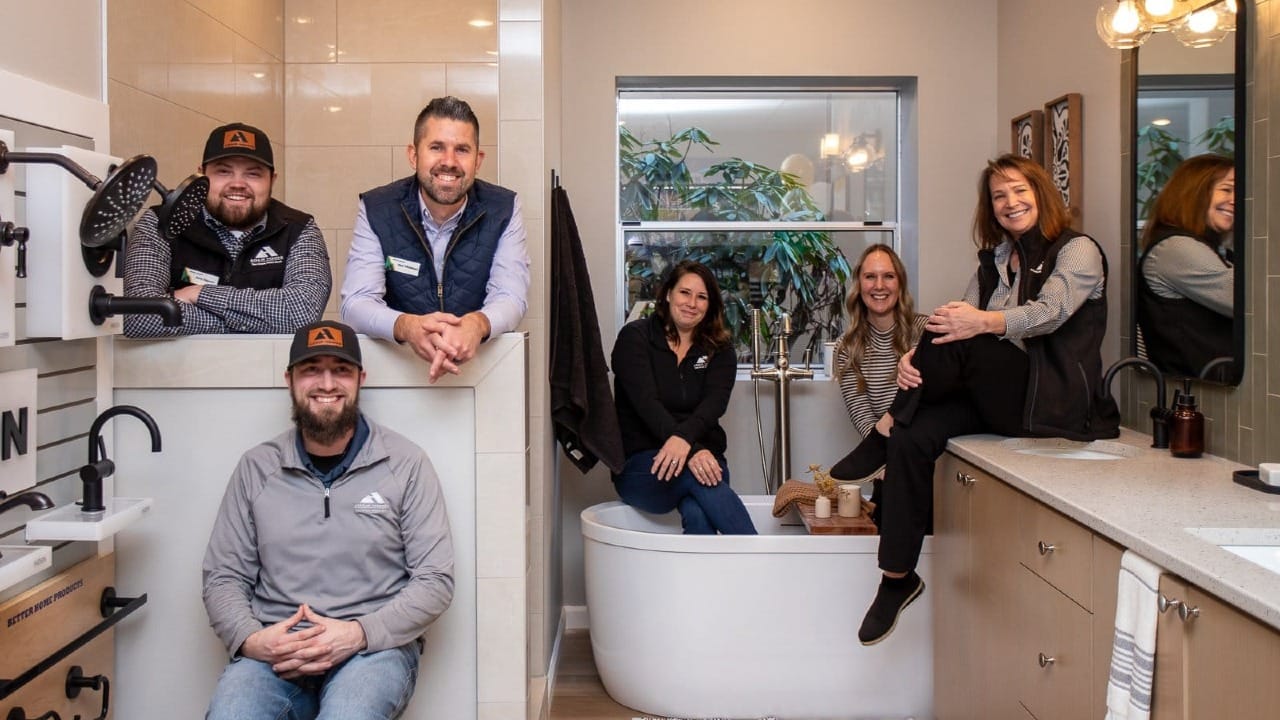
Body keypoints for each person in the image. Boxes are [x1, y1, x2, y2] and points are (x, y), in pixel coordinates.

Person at [838, 154, 1119, 646]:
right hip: (1000, 398)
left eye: (1018, 191)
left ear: (1041, 194)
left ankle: (886, 424)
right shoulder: (993, 261)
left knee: (960, 327)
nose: (1009, 202)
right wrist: (913, 360)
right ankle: (897, 578)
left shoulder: (1079, 251)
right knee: (915, 431)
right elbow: (952, 327)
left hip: (1051, 403)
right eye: (998, 195)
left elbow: (1049, 313)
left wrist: (979, 323)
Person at [202, 320, 454, 720]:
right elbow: (223, 577)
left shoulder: (405, 463)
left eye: (340, 370)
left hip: (373, 651)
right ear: (290, 380)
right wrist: (252, 640)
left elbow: (435, 580)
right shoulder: (257, 467)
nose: (326, 383)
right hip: (275, 652)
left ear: (360, 379)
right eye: (311, 370)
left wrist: (357, 634)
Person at [341, 96, 531, 383]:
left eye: (462, 150)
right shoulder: (378, 208)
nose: (449, 162)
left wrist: (476, 324)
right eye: (436, 147)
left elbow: (511, 296)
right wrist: (408, 326)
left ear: (478, 161)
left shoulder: (503, 208)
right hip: (396, 374)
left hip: (481, 375)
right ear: (413, 155)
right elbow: (356, 302)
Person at [124, 122, 331, 336]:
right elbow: (139, 315)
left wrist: (199, 294)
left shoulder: (298, 229)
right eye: (223, 171)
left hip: (269, 367)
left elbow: (302, 314)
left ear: (272, 180)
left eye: (253, 174)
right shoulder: (160, 223)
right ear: (201, 175)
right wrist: (254, 322)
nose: (237, 184)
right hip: (177, 369)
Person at [610, 261, 756, 535]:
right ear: (668, 294)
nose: (692, 303)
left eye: (702, 297)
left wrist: (687, 446)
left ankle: (704, 580)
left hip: (705, 460)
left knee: (698, 512)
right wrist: (688, 448)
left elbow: (713, 406)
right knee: (701, 478)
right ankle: (763, 564)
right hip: (643, 467)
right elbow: (647, 404)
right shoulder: (635, 338)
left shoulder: (719, 349)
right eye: (684, 293)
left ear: (710, 304)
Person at [828, 244, 927, 522]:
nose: (879, 285)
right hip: (886, 454)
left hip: (927, 451)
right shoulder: (847, 347)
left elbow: (930, 401)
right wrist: (886, 460)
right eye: (870, 277)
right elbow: (862, 416)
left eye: (888, 276)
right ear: (859, 285)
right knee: (888, 514)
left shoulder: (924, 332)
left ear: (900, 283)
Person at [1137, 154, 1235, 378]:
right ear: (1195, 192)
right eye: (1227, 190)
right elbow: (1252, 303)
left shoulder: (1202, 246)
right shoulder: (1177, 248)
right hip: (1197, 391)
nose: (1235, 199)